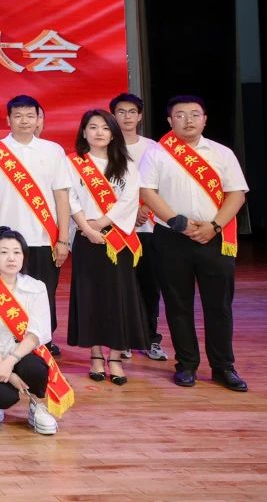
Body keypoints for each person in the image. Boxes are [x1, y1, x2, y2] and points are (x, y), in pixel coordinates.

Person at [139, 95, 250, 391]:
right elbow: (147, 192)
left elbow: (236, 194)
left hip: (214, 237)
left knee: (219, 305)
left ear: (204, 119)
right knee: (178, 304)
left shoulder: (222, 153)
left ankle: (223, 367)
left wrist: (214, 226)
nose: (188, 120)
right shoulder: (157, 153)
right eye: (180, 115)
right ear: (169, 121)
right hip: (172, 238)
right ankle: (186, 365)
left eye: (194, 114)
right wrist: (179, 222)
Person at [0, 95, 73, 358]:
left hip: (44, 238)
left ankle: (42, 346)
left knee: (44, 294)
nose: (24, 121)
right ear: (8, 119)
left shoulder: (53, 151)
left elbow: (61, 196)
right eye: (18, 116)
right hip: (8, 241)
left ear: (39, 119)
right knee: (7, 294)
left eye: (30, 116)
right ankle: (7, 346)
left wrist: (63, 239)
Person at [67, 109, 150, 384]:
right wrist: (88, 228)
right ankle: (95, 355)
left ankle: (115, 356)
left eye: (105, 127)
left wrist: (101, 223)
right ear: (84, 132)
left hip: (118, 240)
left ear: (113, 133)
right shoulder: (72, 163)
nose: (99, 132)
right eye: (93, 127)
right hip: (85, 237)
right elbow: (69, 198)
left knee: (118, 297)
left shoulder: (126, 165)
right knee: (90, 296)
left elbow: (129, 200)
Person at [0, 226, 70, 434]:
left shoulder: (37, 286)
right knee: (5, 397)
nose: (11, 258)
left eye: (17, 252)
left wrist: (10, 362)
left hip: (24, 353)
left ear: (24, 256)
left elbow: (37, 332)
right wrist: (5, 370)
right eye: (4, 252)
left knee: (36, 369)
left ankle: (37, 406)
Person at [111, 92, 169, 362]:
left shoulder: (153, 148)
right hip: (117, 229)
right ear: (113, 116)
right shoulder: (106, 146)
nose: (127, 117)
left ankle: (150, 339)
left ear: (140, 116)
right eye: (121, 112)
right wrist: (128, 213)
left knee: (149, 285)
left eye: (132, 112)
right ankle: (121, 339)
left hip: (149, 228)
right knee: (121, 286)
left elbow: (162, 185)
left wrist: (145, 209)